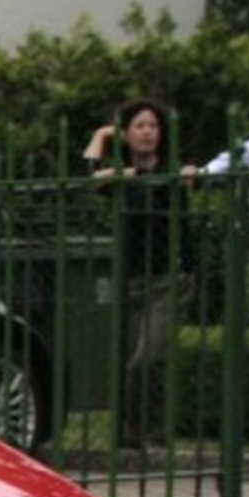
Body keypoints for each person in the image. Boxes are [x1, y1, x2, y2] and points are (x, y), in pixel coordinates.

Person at [81, 99, 183, 441]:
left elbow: (188, 180)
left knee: (147, 357)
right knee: (128, 357)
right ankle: (133, 432)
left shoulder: (171, 171)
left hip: (169, 279)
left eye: (153, 126)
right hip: (132, 279)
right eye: (139, 126)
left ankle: (151, 428)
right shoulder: (121, 177)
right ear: (127, 134)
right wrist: (103, 133)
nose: (147, 132)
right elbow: (87, 179)